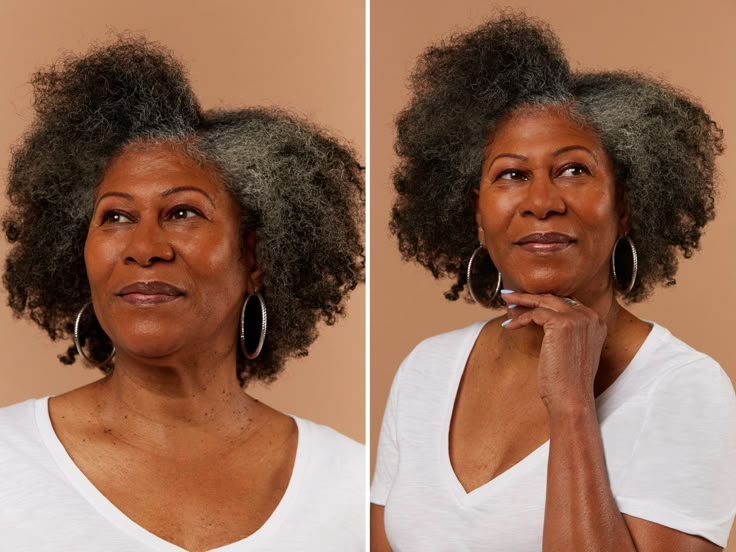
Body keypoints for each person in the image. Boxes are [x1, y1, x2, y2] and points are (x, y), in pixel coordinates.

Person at [371, 13, 736, 552]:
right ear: (477, 213)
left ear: (626, 207)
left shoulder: (683, 389)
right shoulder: (426, 371)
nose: (542, 201)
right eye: (512, 175)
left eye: (573, 171)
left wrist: (571, 406)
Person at [0, 37, 364, 551]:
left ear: (255, 258)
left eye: (182, 213)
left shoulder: (348, 486)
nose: (144, 247)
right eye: (117, 217)